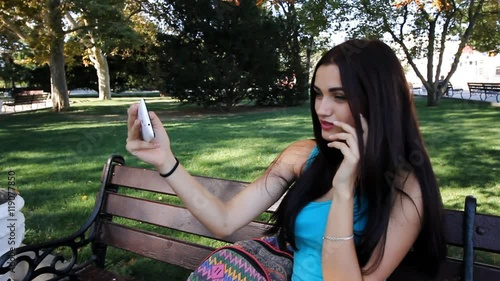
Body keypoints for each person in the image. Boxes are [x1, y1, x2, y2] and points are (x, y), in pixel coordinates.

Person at [126, 39, 446, 281]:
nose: (321, 108)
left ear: (379, 99)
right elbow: (224, 220)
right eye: (318, 94)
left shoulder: (407, 187)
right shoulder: (306, 155)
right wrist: (166, 161)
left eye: (339, 96)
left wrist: (345, 190)